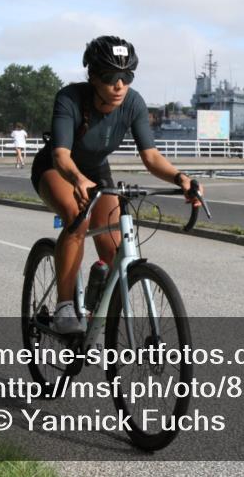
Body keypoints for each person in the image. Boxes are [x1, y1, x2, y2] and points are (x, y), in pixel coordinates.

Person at [31, 35, 202, 334]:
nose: (119, 85)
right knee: (77, 218)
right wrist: (78, 179)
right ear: (93, 76)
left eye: (127, 76)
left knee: (114, 252)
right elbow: (60, 155)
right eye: (111, 77)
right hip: (57, 170)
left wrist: (181, 178)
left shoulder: (133, 103)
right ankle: (65, 307)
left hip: (97, 171)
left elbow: (150, 156)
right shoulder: (70, 98)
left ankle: (98, 306)